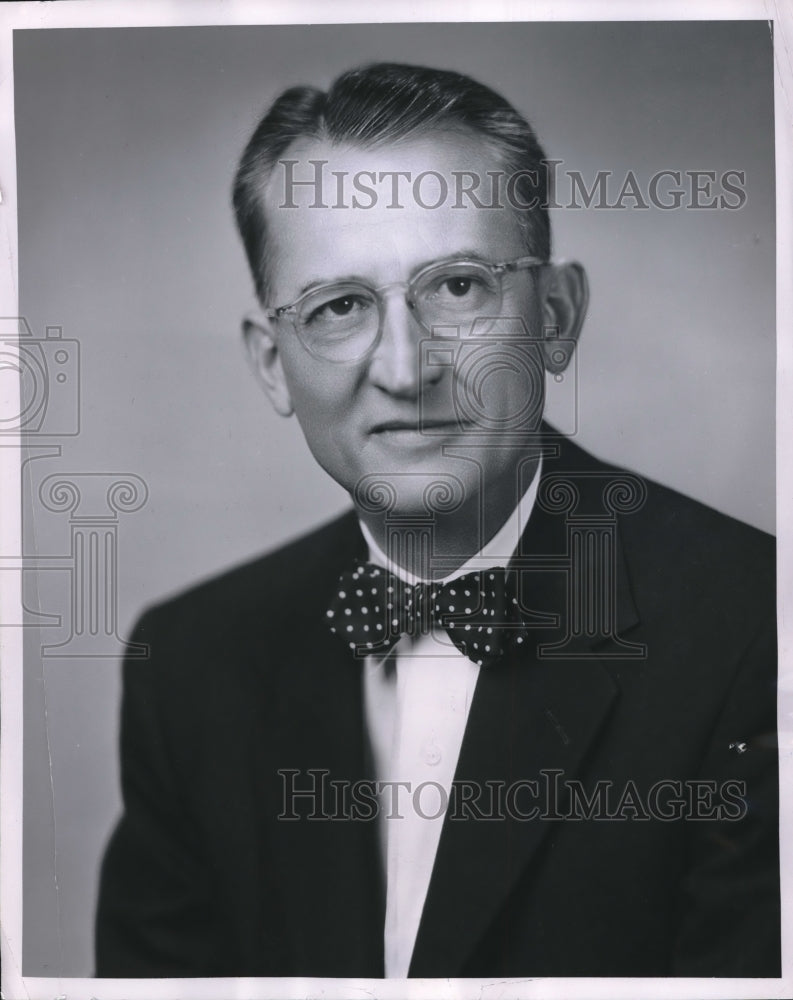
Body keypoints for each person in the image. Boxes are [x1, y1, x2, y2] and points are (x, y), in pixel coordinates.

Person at [95, 63, 779, 979]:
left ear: (556, 316)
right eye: (339, 307)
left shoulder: (755, 629)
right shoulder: (190, 663)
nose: (406, 368)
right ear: (270, 366)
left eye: (457, 288)